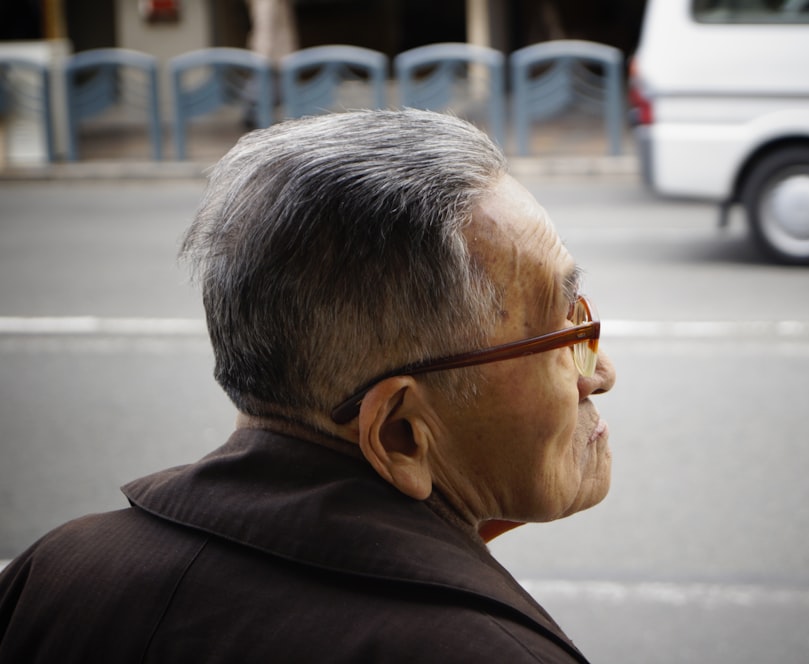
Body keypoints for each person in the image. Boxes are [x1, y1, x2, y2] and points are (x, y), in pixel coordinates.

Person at [0, 109, 616, 663]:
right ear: (399, 433)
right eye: (564, 332)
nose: (601, 373)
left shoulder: (54, 576)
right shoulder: (486, 651)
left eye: (579, 312)